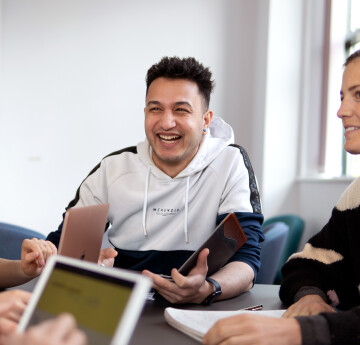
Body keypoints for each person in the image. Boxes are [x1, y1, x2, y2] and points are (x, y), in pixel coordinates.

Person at [46, 56, 264, 304]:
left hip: (202, 308)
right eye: (155, 109)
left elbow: (247, 261)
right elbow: (64, 246)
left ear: (205, 120)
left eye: (181, 110)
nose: (166, 122)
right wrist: (74, 262)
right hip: (123, 306)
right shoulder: (113, 168)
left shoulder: (229, 162)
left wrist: (208, 288)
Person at [202, 50, 360, 345]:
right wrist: (310, 297)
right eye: (342, 97)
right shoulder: (356, 195)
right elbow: (302, 267)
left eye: (359, 95)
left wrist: (303, 331)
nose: (341, 111)